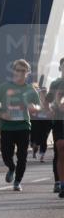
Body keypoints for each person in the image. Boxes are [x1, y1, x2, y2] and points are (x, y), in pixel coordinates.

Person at [0, 60, 41, 191]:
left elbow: (38, 106)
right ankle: (11, 167)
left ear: (27, 74)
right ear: (13, 71)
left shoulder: (30, 89)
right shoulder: (4, 87)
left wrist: (34, 108)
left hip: (23, 126)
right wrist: (2, 113)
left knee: (22, 156)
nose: (20, 73)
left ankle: (17, 181)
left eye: (23, 71)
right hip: (6, 126)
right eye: (17, 70)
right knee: (6, 155)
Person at [48, 57, 64, 198]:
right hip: (59, 120)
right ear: (60, 69)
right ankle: (59, 182)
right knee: (59, 149)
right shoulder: (55, 84)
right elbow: (49, 100)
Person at [29, 85, 53, 163]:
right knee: (36, 138)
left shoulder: (49, 100)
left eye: (45, 92)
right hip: (37, 121)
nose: (44, 94)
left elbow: (52, 110)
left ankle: (42, 156)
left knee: (44, 138)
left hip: (46, 121)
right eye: (42, 92)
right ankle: (34, 148)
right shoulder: (36, 100)